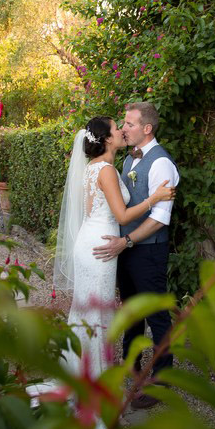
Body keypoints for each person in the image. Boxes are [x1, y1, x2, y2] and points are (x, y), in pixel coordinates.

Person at [53, 116, 175, 380]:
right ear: (107, 139)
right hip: (103, 247)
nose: (121, 130)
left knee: (87, 309)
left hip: (91, 240)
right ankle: (95, 382)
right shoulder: (107, 170)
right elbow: (121, 216)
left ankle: (81, 374)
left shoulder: (94, 167)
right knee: (97, 314)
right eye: (116, 128)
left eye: (125, 125)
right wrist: (154, 198)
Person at [92, 102, 180, 410]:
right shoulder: (129, 158)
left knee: (156, 316)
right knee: (130, 311)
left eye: (129, 124)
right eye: (123, 125)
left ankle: (162, 381)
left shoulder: (161, 164)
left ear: (147, 129)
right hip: (126, 248)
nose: (124, 129)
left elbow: (160, 218)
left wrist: (126, 240)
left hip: (147, 250)